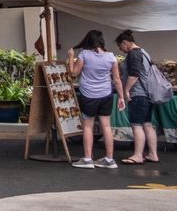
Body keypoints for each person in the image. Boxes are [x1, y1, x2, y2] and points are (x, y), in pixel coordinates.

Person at [67, 29, 125, 169]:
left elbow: (74, 73)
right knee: (106, 126)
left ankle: (87, 159)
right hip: (106, 94)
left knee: (88, 126)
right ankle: (109, 159)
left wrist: (70, 57)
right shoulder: (111, 56)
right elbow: (116, 79)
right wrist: (122, 97)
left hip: (89, 95)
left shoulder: (84, 54)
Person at [116, 30, 160, 164]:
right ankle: (153, 154)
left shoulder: (133, 54)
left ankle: (138, 155)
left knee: (137, 125)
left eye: (120, 46)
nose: (120, 49)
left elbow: (134, 74)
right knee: (147, 124)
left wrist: (126, 90)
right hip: (148, 94)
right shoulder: (144, 52)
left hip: (138, 94)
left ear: (125, 42)